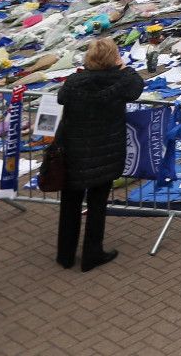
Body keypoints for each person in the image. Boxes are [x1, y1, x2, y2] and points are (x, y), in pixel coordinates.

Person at [54, 37, 145, 270]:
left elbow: (61, 97)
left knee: (70, 202)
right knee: (97, 204)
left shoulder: (75, 81)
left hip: (74, 150)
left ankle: (65, 254)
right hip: (105, 151)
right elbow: (136, 85)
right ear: (114, 58)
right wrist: (123, 67)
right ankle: (92, 252)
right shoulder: (121, 80)